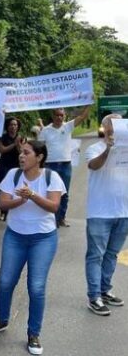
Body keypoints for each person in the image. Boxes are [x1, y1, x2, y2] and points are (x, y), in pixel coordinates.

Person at [0, 141, 65, 356]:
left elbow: (54, 207)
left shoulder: (51, 177)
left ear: (39, 157)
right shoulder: (13, 175)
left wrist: (33, 196)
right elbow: (3, 204)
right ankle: (2, 320)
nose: (21, 156)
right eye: (20, 152)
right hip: (15, 236)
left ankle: (33, 333)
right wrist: (22, 198)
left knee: (36, 287)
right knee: (5, 281)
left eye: (26, 153)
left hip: (43, 239)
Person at [84, 114, 128, 316]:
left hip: (124, 211)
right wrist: (110, 149)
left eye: (120, 121)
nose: (116, 124)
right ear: (104, 127)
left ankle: (105, 290)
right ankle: (94, 296)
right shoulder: (95, 148)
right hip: (100, 212)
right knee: (96, 255)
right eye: (112, 121)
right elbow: (94, 165)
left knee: (111, 255)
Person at [38, 105, 91, 227]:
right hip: (50, 165)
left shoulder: (68, 127)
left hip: (66, 165)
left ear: (64, 116)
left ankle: (61, 218)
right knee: (49, 193)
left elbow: (83, 116)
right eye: (57, 115)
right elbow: (39, 148)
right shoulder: (45, 130)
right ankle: (51, 219)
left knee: (64, 193)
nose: (59, 117)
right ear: (53, 116)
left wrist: (89, 103)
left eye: (61, 115)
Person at [0, 117, 24, 187]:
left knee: (17, 185)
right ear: (7, 126)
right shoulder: (2, 137)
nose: (13, 127)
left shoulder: (21, 137)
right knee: (4, 185)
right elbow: (2, 150)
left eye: (15, 125)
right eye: (11, 125)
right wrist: (14, 144)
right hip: (4, 165)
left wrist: (18, 144)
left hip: (17, 164)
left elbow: (22, 152)